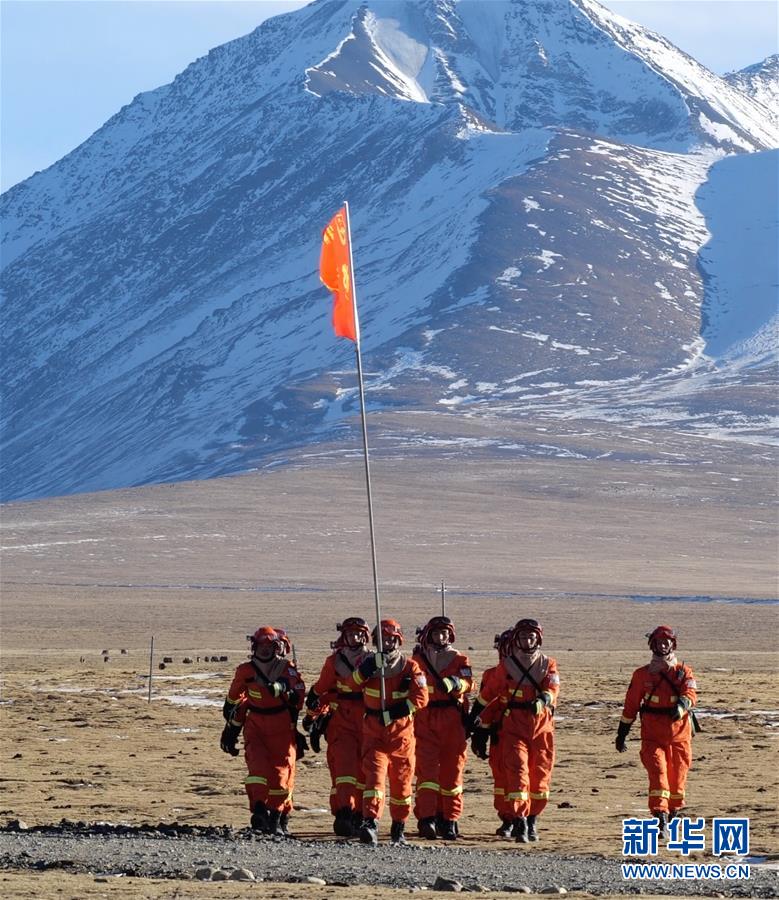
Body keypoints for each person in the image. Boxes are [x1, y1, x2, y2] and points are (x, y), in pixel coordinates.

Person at [467, 618, 560, 843]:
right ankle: (518, 820)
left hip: (541, 729)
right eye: (523, 637)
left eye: (531, 636)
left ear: (538, 638)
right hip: (512, 728)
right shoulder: (505, 667)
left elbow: (553, 686)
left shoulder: (548, 664)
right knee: (517, 773)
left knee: (540, 776)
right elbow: (488, 696)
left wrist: (544, 699)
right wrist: (474, 721)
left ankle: (532, 820)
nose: (527, 641)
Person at [348, 618, 428, 845]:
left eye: (392, 639)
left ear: (398, 640)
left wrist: (395, 713)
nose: (388, 643)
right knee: (374, 778)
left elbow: (421, 698)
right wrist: (368, 668)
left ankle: (398, 827)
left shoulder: (410, 666)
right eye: (383, 639)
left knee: (402, 783)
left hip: (401, 733)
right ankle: (370, 823)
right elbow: (351, 684)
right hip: (374, 732)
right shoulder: (367, 664)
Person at [220, 626, 306, 836]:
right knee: (257, 769)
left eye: (270, 646)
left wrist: (284, 687)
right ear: (254, 647)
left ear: (277, 647)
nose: (265, 650)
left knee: (280, 775)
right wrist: (231, 727)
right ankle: (258, 809)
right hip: (255, 726)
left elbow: (299, 692)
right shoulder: (245, 671)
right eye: (262, 646)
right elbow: (234, 699)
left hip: (282, 727)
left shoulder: (287, 668)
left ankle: (276, 816)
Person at [615, 625, 698, 836]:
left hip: (679, 735)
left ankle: (672, 812)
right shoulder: (641, 675)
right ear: (652, 645)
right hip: (652, 735)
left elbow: (690, 692)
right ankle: (660, 816)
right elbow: (631, 704)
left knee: (678, 778)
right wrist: (622, 732)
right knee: (658, 774)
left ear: (673, 644)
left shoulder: (682, 672)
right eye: (659, 642)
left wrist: (681, 706)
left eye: (666, 642)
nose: (663, 645)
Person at [303, 617, 371, 837]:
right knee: (343, 771)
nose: (355, 638)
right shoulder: (334, 662)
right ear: (344, 636)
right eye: (351, 634)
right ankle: (344, 812)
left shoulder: (374, 660)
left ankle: (362, 814)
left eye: (359, 634)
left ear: (365, 636)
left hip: (369, 721)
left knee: (366, 772)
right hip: (341, 721)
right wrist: (312, 714)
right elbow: (323, 688)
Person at [411, 615, 473, 839]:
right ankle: (426, 818)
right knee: (426, 772)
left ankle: (450, 819)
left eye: (445, 633)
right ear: (429, 635)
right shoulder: (417, 661)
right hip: (424, 719)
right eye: (437, 633)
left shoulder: (459, 659)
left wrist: (456, 683)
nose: (441, 637)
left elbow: (468, 682)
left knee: (452, 772)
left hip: (452, 720)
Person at [470, 628, 514, 838]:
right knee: (502, 779)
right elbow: (486, 709)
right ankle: (507, 818)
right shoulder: (491, 675)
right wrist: (480, 735)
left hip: (524, 734)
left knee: (527, 778)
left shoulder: (536, 672)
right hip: (499, 736)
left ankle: (524, 818)